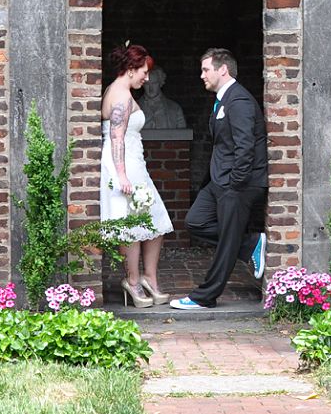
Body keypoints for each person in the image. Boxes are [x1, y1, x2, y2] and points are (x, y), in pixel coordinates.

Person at [170, 48, 268, 310]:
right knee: (195, 221)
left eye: (205, 70)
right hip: (219, 182)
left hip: (238, 185)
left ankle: (204, 297)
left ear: (222, 69)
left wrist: (235, 182)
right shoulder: (223, 100)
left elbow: (245, 146)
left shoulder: (239, 101)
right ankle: (250, 243)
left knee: (226, 242)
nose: (202, 75)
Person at [101, 42, 173, 306]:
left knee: (154, 220)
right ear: (131, 69)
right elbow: (116, 137)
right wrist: (122, 175)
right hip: (125, 166)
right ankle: (132, 281)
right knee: (130, 224)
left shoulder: (119, 90)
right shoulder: (121, 96)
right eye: (144, 71)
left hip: (134, 163)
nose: (147, 78)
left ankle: (148, 278)